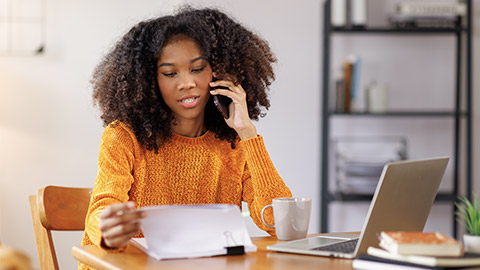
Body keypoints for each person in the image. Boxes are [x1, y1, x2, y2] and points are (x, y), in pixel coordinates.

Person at [80, 6, 291, 267]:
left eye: (198, 68)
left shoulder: (234, 143)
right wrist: (109, 229)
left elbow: (278, 223)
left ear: (220, 72)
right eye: (170, 73)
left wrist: (248, 133)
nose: (186, 83)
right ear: (149, 80)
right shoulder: (123, 137)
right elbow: (102, 206)